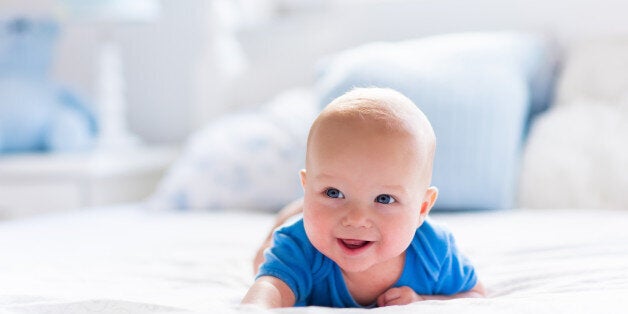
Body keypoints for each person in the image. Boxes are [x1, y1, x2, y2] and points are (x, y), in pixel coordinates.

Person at [241, 87, 485, 308]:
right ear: (307, 189)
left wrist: (423, 300)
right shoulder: (299, 245)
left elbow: (473, 294)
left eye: (384, 199)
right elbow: (271, 286)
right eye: (333, 192)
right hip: (291, 235)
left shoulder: (434, 252)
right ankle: (290, 215)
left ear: (422, 209)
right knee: (264, 259)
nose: (356, 219)